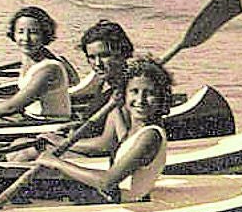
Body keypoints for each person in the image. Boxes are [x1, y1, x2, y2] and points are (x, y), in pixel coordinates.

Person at [34, 58, 173, 202]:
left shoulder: (150, 136)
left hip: (120, 201)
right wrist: (115, 105)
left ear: (161, 98)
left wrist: (55, 162)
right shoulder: (137, 129)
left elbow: (106, 182)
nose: (140, 100)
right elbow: (117, 138)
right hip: (111, 195)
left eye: (149, 93)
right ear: (124, 95)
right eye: (134, 91)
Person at [7, 19, 133, 161]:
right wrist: (76, 126)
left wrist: (59, 141)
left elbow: (105, 144)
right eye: (92, 57)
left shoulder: (126, 91)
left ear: (123, 53)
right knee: (19, 143)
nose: (97, 64)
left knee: (27, 151)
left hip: (101, 159)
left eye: (104, 55)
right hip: (85, 146)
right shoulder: (105, 83)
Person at [0, 6, 72, 123]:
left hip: (49, 124)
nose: (26, 38)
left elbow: (12, 107)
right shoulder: (29, 59)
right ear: (13, 34)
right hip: (32, 119)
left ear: (45, 34)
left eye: (34, 33)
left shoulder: (49, 68)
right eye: (20, 32)